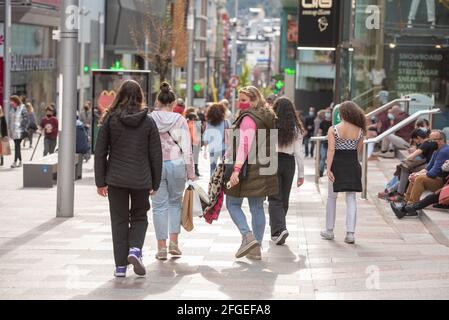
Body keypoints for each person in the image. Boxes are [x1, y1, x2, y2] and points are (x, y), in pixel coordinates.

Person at [95, 80, 162, 278]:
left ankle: (120, 267)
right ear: (140, 96)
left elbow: (100, 152)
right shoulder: (148, 121)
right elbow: (155, 155)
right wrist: (155, 182)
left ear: (119, 95)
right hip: (141, 179)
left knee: (119, 221)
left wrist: (100, 181)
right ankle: (135, 249)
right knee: (140, 216)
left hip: (116, 179)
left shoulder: (110, 119)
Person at [225, 86, 278, 261]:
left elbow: (244, 146)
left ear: (254, 100)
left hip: (248, 169)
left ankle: (247, 236)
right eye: (239, 100)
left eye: (244, 100)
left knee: (232, 203)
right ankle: (256, 248)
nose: (240, 104)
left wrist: (236, 170)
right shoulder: (268, 115)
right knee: (257, 207)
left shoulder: (249, 118)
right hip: (265, 167)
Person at [150, 82, 196, 261]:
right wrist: (191, 173)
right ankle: (174, 244)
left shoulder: (150, 119)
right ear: (173, 102)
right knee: (175, 203)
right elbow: (187, 148)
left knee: (159, 206)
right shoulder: (180, 119)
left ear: (157, 101)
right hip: (177, 164)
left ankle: (161, 247)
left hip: (156, 165)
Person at [320, 101, 366, 244]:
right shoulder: (360, 131)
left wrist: (328, 168)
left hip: (337, 164)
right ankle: (350, 233)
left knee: (332, 198)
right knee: (351, 199)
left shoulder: (333, 129)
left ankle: (329, 230)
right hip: (352, 163)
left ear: (343, 113)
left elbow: (331, 150)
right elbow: (358, 150)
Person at [268, 97, 305, 246]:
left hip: (272, 161)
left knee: (274, 198)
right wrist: (301, 174)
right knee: (284, 198)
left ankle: (279, 229)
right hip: (289, 163)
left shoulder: (270, 125)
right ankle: (278, 230)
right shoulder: (296, 129)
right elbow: (300, 153)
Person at [392, 131, 449, 219]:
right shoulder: (436, 150)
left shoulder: (444, 151)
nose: (430, 143)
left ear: (441, 140)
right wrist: (416, 173)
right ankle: (405, 203)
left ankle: (411, 208)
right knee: (416, 177)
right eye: (429, 140)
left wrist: (418, 176)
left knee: (420, 179)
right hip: (437, 179)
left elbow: (433, 173)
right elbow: (428, 167)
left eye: (433, 140)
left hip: (443, 183)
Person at [379, 129, 438, 202]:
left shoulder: (426, 143)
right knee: (405, 169)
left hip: (429, 166)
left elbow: (411, 157)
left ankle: (397, 193)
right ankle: (392, 191)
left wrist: (406, 160)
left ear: (418, 137)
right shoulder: (430, 143)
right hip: (429, 165)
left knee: (405, 167)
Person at [203, 103, 228, 176]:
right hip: (223, 148)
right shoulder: (225, 122)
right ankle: (222, 183)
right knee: (224, 168)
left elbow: (207, 136)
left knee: (212, 168)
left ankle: (212, 184)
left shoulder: (209, 123)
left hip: (212, 148)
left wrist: (204, 149)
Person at [8, 96, 28, 168]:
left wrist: (21, 126)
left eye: (12, 101)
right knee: (17, 146)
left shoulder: (22, 108)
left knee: (17, 145)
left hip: (20, 131)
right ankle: (20, 161)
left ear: (16, 101)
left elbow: (26, 119)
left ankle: (15, 162)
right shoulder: (11, 110)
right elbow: (10, 121)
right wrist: (9, 130)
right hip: (13, 132)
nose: (11, 102)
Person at [185, 107, 202, 176]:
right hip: (194, 143)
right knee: (194, 157)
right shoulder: (194, 123)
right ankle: (194, 170)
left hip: (191, 143)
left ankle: (193, 170)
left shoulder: (188, 123)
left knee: (192, 158)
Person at [319, 109, 333, 177]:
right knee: (323, 157)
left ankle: (331, 171)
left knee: (332, 157)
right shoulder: (322, 122)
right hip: (324, 142)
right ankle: (320, 171)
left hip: (332, 143)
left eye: (329, 112)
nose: (328, 113)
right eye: (327, 112)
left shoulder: (333, 122)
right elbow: (320, 132)